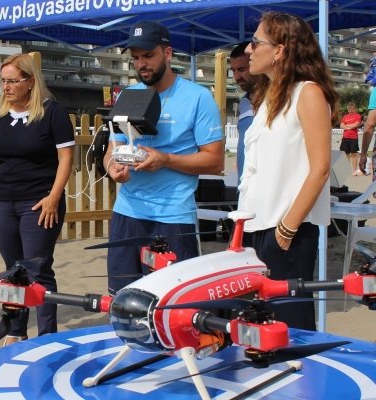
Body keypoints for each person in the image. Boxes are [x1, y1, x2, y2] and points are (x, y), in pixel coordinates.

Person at [103, 21, 224, 295]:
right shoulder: (128, 95)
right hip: (127, 212)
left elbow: (215, 162)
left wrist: (165, 160)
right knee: (122, 299)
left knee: (171, 304)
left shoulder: (197, 97)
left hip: (172, 217)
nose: (141, 64)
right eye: (135, 58)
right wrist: (113, 168)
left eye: (148, 55)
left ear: (167, 54)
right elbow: (113, 150)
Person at [237, 11, 338, 331]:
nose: (249, 51)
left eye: (255, 43)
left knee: (290, 329)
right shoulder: (267, 97)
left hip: (286, 232)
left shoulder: (307, 93)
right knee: (260, 327)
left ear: (279, 50)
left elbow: (321, 168)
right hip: (256, 228)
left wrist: (286, 230)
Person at [0, 53, 75, 345]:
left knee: (38, 269)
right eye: (2, 81)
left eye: (12, 81)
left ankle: (46, 337)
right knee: (13, 270)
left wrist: (53, 197)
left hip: (39, 203)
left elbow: (66, 157)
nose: (5, 87)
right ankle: (17, 330)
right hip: (4, 202)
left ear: (30, 82)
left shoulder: (52, 112)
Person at [229, 41, 257, 182]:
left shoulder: (278, 102)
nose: (237, 77)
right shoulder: (243, 103)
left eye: (242, 69)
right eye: (233, 70)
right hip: (244, 191)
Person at [339, 102, 363, 175]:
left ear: (354, 109)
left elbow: (355, 125)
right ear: (347, 109)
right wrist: (348, 126)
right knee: (345, 154)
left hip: (353, 138)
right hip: (345, 138)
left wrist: (346, 126)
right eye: (349, 108)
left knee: (353, 154)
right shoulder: (345, 116)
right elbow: (341, 125)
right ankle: (345, 170)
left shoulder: (358, 116)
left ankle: (354, 171)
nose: (350, 110)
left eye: (352, 108)